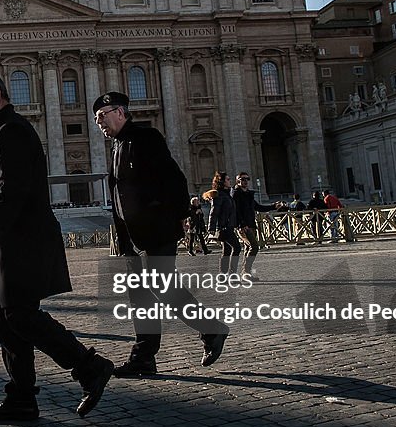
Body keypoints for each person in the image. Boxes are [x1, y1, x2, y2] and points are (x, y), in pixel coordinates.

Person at [0, 71, 114, 421]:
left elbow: (12, 190)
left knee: (19, 315)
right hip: (10, 242)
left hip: (23, 241)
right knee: (7, 320)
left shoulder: (11, 131)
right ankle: (21, 399)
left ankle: (89, 366)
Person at [93, 91, 228, 376]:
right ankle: (143, 357)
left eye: (102, 116)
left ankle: (211, 329)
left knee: (163, 288)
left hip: (155, 229)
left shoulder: (146, 138)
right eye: (96, 119)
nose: (99, 123)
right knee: (139, 297)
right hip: (130, 236)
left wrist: (179, 216)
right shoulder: (116, 146)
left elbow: (173, 178)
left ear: (120, 112)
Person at [232, 172, 283, 280]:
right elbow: (236, 211)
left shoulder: (249, 195)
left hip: (251, 224)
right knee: (254, 247)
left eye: (247, 179)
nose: (245, 181)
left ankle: (246, 273)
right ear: (238, 181)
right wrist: (242, 224)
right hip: (243, 226)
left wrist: (273, 206)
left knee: (247, 248)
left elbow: (258, 207)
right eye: (243, 179)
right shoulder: (236, 194)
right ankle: (246, 271)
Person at [205, 171, 241, 275]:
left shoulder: (227, 194)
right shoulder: (219, 195)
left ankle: (223, 276)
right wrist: (211, 228)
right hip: (224, 227)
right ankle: (232, 274)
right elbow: (214, 212)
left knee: (227, 250)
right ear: (222, 182)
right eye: (228, 180)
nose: (230, 181)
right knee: (237, 248)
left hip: (228, 226)